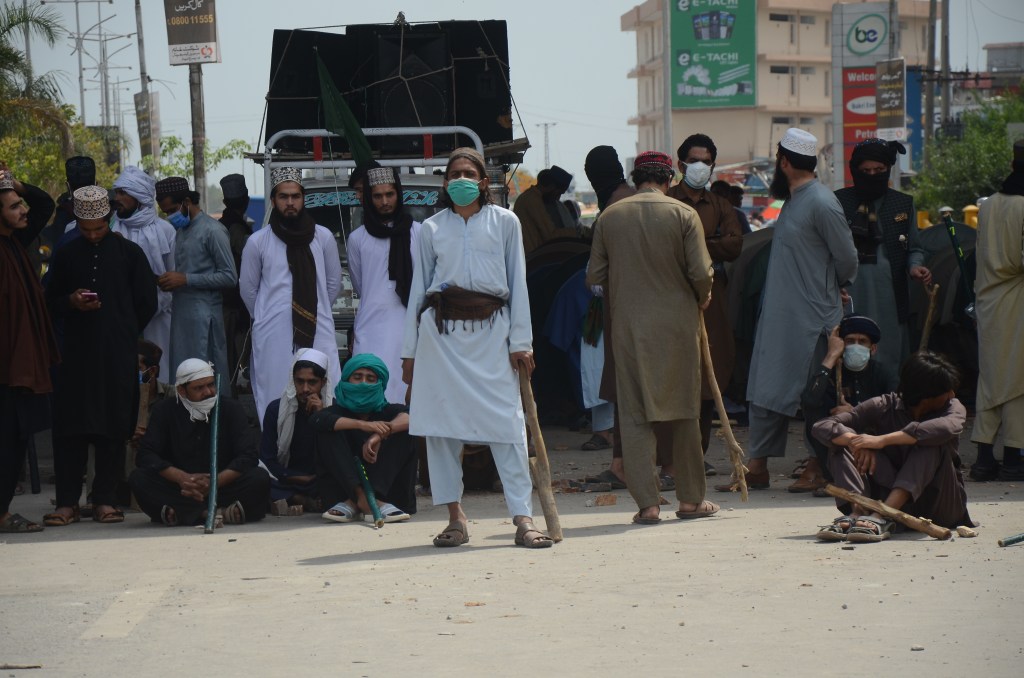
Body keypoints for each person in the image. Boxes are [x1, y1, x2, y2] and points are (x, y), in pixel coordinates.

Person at [401, 146, 552, 549]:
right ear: (445, 183)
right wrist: (409, 352)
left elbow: (518, 284)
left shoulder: (506, 222)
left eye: (469, 174)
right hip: (441, 338)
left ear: (485, 182)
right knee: (441, 430)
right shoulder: (430, 229)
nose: (461, 181)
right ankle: (455, 518)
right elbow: (419, 290)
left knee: (508, 427)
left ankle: (523, 518)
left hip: (493, 333)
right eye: (454, 175)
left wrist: (521, 342)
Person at [722, 129, 858, 491]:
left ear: (784, 162)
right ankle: (757, 465)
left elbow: (847, 258)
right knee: (766, 388)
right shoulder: (796, 200)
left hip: (814, 317)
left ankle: (819, 464)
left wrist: (835, 286)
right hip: (781, 316)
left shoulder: (822, 202)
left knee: (816, 395)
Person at [587, 150, 717, 524]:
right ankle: (691, 501)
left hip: (628, 328)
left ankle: (648, 504)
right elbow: (702, 273)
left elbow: (594, 276)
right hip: (678, 326)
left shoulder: (610, 217)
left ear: (635, 177)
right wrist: (702, 294)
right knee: (685, 412)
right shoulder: (684, 214)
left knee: (634, 414)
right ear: (669, 180)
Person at [44, 185, 157, 526]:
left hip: (115, 355)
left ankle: (104, 500)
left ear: (108, 219)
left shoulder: (130, 254)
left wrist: (121, 329)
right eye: (86, 229)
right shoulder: (65, 254)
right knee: (70, 430)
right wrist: (71, 303)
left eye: (99, 228)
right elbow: (49, 301)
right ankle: (67, 503)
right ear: (77, 221)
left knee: (112, 427)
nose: (93, 235)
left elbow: (146, 303)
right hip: (74, 356)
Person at [812, 351, 973, 542]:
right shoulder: (884, 405)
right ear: (925, 396)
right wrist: (856, 441)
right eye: (946, 390)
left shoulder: (952, 406)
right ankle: (857, 512)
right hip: (887, 495)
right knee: (841, 444)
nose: (952, 394)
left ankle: (881, 516)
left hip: (938, 504)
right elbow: (822, 426)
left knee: (930, 443)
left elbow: (947, 428)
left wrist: (881, 441)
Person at [667, 134, 744, 478]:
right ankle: (672, 460)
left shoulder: (720, 205)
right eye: (694, 160)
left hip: (712, 303)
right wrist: (710, 244)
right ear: (680, 163)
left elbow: (735, 245)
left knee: (708, 379)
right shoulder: (668, 201)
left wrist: (696, 244)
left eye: (707, 161)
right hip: (674, 301)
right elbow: (667, 248)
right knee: (675, 378)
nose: (701, 166)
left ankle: (696, 456)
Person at [240, 167, 342, 424]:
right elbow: (248, 289)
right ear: (273, 200)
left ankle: (325, 458)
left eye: (295, 196)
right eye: (283, 197)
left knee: (326, 392)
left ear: (303, 198)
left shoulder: (323, 237)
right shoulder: (258, 241)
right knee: (275, 395)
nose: (290, 202)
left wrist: (313, 313)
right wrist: (267, 316)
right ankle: (274, 459)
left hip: (319, 329)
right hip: (273, 334)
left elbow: (332, 284)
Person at [130, 359, 269, 526]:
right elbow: (146, 455)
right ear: (182, 390)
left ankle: (185, 513)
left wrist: (215, 482)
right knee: (139, 479)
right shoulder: (165, 411)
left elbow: (248, 455)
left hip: (222, 485)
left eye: (211, 385)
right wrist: (182, 478)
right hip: (181, 488)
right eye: (199, 388)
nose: (208, 392)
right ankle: (210, 513)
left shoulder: (230, 408)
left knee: (259, 478)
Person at [834, 138, 931, 377]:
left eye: (879, 170)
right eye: (865, 171)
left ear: (888, 169)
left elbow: (914, 248)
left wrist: (915, 267)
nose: (872, 175)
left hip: (890, 293)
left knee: (889, 355)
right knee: (848, 351)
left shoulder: (902, 203)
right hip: (848, 293)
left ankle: (889, 406)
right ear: (855, 171)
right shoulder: (838, 201)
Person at [0, 168, 59, 533]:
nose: (23, 210)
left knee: (16, 438)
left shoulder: (16, 243)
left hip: (19, 366)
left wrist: (11, 183)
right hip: (4, 365)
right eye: (12, 206)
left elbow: (43, 204)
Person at [792, 314, 898, 493]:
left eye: (862, 341)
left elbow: (895, 414)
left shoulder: (883, 375)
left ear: (872, 348)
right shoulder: (830, 375)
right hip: (839, 452)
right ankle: (833, 476)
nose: (856, 346)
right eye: (850, 341)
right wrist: (831, 356)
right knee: (818, 417)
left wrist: (855, 414)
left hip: (873, 451)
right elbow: (809, 402)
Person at [969, 139, 1024, 482]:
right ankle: (1015, 459)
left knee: (991, 380)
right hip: (1017, 301)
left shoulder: (989, 206)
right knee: (1017, 382)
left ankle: (984, 458)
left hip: (988, 302)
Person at [580, 146, 636, 484]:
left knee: (615, 373)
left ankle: (621, 452)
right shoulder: (620, 198)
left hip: (620, 305)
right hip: (617, 303)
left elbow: (603, 271)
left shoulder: (615, 206)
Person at [312, 354, 416, 523]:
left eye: (370, 378)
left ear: (380, 383)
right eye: (357, 377)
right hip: (341, 495)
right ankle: (361, 497)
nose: (363, 383)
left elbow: (416, 416)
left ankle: (370, 498)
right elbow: (318, 420)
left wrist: (380, 434)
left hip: (390, 496)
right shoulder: (334, 412)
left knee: (403, 430)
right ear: (347, 380)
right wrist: (363, 425)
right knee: (327, 429)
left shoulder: (391, 411)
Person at [348, 166, 422, 403]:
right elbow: (360, 284)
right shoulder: (357, 238)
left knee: (406, 389)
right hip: (371, 326)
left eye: (390, 194)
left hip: (409, 324)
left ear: (398, 194)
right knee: (371, 388)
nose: (385, 201)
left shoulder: (419, 233)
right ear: (369, 199)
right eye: (377, 196)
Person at [155, 177, 236, 382]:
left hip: (204, 318)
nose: (170, 216)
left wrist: (186, 279)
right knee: (184, 378)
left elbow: (229, 277)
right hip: (182, 317)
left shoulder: (213, 230)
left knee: (205, 377)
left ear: (187, 201)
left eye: (172, 210)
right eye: (166, 213)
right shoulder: (181, 231)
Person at [112, 166, 176, 378]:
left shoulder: (164, 230)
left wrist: (158, 303)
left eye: (123, 193)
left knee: (161, 373)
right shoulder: (112, 228)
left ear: (139, 197)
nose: (117, 198)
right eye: (117, 192)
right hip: (121, 316)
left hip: (159, 314)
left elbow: (172, 272)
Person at [259, 348, 333, 509]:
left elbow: (336, 455)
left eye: (312, 382)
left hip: (320, 478)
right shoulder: (276, 410)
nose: (305, 389)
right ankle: (300, 499)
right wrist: (297, 478)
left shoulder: (334, 410)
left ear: (323, 382)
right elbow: (267, 459)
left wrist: (321, 416)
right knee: (257, 478)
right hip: (285, 478)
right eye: (300, 381)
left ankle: (293, 499)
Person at [218, 173, 253, 388]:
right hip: (232, 305)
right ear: (247, 199)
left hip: (229, 303)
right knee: (231, 360)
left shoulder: (222, 226)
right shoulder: (236, 229)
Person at [513, 165, 579, 254]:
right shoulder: (533, 201)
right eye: (558, 193)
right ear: (551, 186)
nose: (558, 198)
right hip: (533, 259)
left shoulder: (529, 197)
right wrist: (577, 233)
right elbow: (550, 235)